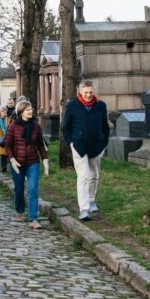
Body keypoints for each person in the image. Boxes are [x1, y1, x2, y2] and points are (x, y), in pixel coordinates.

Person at [61, 79, 110, 222]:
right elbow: (66, 127)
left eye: (90, 92)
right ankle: (83, 209)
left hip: (96, 146)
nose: (88, 95)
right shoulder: (73, 106)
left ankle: (91, 199)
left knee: (94, 175)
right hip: (79, 146)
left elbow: (105, 126)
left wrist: (104, 142)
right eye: (85, 93)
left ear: (93, 92)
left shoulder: (100, 106)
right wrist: (71, 143)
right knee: (83, 176)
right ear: (80, 92)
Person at [4, 98, 49, 229]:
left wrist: (45, 161)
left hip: (32, 162)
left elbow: (41, 145)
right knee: (19, 189)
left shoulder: (36, 126)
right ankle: (19, 211)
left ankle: (33, 218)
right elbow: (7, 144)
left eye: (31, 109)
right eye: (27, 110)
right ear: (21, 112)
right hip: (17, 163)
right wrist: (12, 160)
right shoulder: (13, 126)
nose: (30, 111)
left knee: (33, 189)